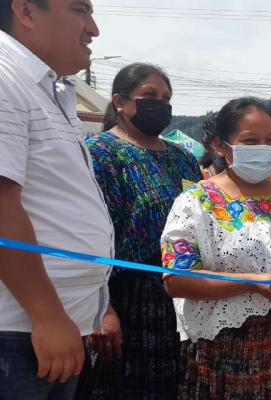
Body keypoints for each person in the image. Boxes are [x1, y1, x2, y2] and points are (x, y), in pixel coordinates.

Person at [160, 97, 271, 399]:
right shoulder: (195, 202)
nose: (263, 149)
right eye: (250, 141)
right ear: (220, 145)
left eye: (270, 140)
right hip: (227, 348)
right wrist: (250, 283)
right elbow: (176, 280)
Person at [0, 1, 112, 399]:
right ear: (26, 12)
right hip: (20, 331)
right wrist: (46, 315)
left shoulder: (47, 88)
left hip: (49, 326)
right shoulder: (5, 78)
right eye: (79, 10)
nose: (93, 29)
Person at [75, 63, 201, 399]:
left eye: (166, 98)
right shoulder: (100, 155)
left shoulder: (183, 159)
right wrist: (101, 308)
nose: (160, 104)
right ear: (119, 101)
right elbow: (86, 236)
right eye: (150, 96)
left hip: (183, 295)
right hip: (127, 300)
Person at [198, 112, 226, 179]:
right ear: (206, 145)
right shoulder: (197, 177)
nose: (221, 153)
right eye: (219, 145)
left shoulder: (247, 178)